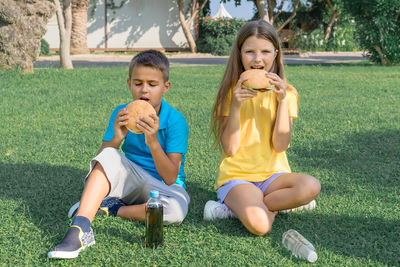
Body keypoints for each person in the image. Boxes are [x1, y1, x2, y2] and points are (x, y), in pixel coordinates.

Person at [48, 50, 190, 259]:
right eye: (138, 83)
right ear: (129, 83)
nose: (144, 90)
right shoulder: (121, 113)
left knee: (176, 211)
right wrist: (117, 137)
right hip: (129, 180)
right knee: (109, 154)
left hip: (163, 188)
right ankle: (81, 227)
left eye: (152, 84)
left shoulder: (176, 121)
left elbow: (170, 177)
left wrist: (152, 141)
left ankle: (112, 208)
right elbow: (102, 160)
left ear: (165, 87)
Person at [203, 20, 321, 236]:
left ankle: (247, 206)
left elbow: (280, 145)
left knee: (312, 186)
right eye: (249, 51)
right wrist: (237, 105)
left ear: (275, 54)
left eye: (265, 51)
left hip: (274, 177)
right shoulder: (230, 93)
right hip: (238, 177)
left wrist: (283, 101)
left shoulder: (289, 94)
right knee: (261, 226)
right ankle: (253, 206)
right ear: (240, 54)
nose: (257, 59)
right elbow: (229, 149)